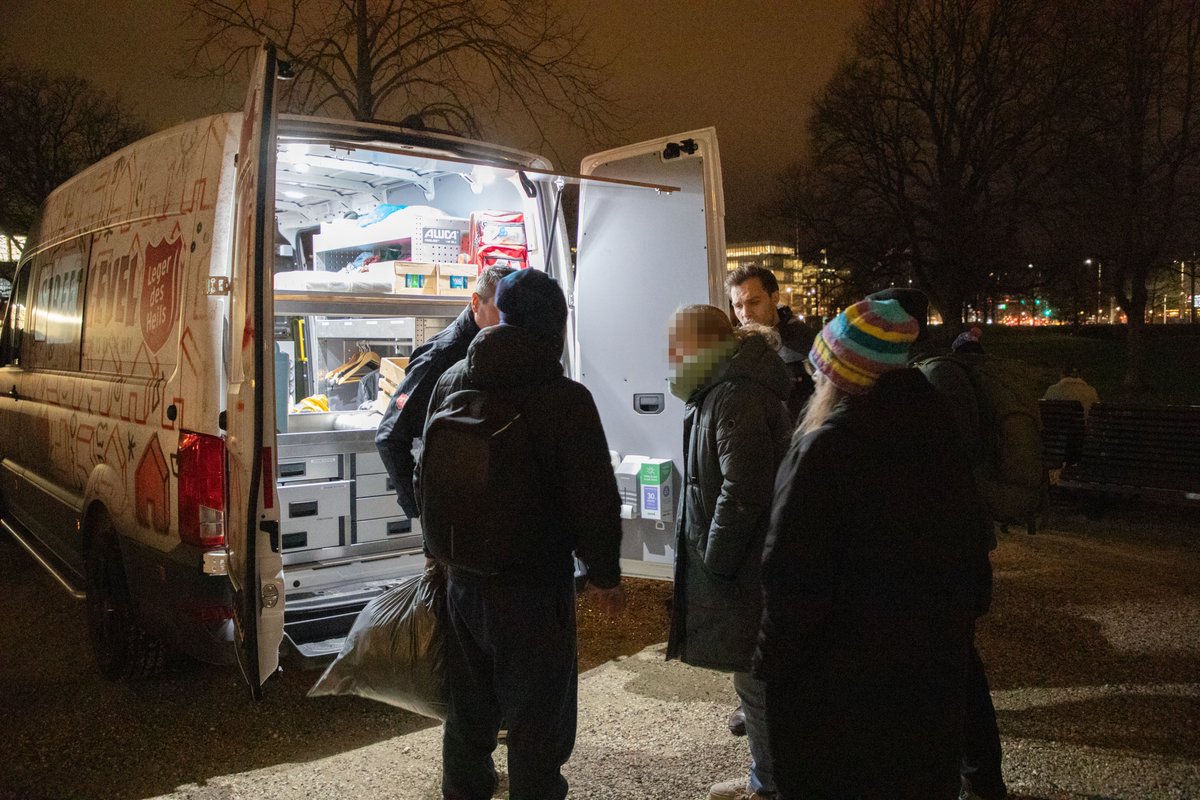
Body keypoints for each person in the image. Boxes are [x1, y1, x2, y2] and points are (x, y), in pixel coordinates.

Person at [756, 297, 993, 800]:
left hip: (841, 685)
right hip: (928, 681)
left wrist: (771, 666)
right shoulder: (938, 435)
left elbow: (791, 578)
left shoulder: (824, 449)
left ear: (838, 377)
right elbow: (972, 557)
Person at [423, 268, 625, 800]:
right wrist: (604, 574)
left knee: (467, 706)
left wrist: (436, 552)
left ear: (503, 315)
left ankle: (464, 789)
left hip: (462, 577)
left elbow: (431, 474)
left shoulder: (453, 380)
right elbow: (594, 496)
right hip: (534, 585)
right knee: (538, 715)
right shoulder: (565, 398)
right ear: (556, 326)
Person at [665, 305, 792, 800]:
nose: (672, 355)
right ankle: (769, 775)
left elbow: (743, 490)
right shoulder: (723, 390)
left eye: (678, 344)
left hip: (745, 564)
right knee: (753, 675)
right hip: (745, 560)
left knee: (757, 680)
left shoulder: (734, 394)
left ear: (704, 345)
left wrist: (715, 559)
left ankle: (770, 785)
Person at [374, 265, 515, 518]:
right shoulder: (441, 356)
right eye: (500, 308)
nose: (508, 319)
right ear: (476, 302)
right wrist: (422, 508)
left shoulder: (505, 349)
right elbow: (389, 435)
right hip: (452, 511)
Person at [727, 265, 816, 423]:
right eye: (738, 306)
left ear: (774, 297)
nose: (745, 313)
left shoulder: (805, 343)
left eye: (754, 302)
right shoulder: (733, 349)